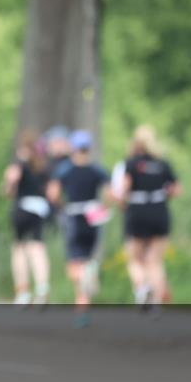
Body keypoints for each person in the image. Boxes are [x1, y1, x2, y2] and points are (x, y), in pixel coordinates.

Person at [47, 130, 110, 327]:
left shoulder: (65, 170)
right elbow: (110, 194)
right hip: (92, 216)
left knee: (74, 263)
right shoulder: (97, 169)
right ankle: (84, 301)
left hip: (73, 216)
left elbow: (53, 194)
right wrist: (103, 207)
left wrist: (62, 205)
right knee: (87, 258)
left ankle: (82, 300)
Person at [120, 126, 181, 307]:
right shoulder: (163, 163)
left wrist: (123, 204)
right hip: (159, 210)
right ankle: (156, 301)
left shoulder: (131, 163)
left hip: (137, 210)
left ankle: (141, 287)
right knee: (155, 261)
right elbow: (176, 189)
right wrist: (163, 198)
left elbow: (124, 189)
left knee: (134, 259)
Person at [2, 130, 51, 306]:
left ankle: (22, 292)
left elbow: (10, 184)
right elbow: (50, 191)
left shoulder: (19, 163)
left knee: (20, 249)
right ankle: (42, 287)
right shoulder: (42, 165)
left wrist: (7, 187)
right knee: (38, 248)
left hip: (22, 207)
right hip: (39, 209)